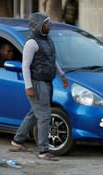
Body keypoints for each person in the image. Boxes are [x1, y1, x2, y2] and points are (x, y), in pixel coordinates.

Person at [11, 12, 69, 161]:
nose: (49, 25)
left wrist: (62, 76)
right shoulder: (31, 43)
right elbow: (25, 66)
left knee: (34, 113)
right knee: (44, 116)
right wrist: (28, 87)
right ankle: (43, 151)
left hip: (48, 81)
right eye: (46, 23)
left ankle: (17, 141)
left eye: (48, 22)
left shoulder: (48, 39)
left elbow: (52, 59)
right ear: (38, 26)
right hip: (37, 83)